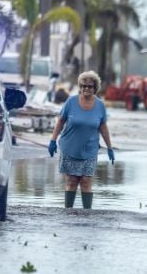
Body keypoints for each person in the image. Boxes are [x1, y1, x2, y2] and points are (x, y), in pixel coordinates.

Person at [48, 71, 115, 209]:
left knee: (86, 181)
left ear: (95, 88)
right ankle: (68, 213)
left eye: (90, 86)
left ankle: (87, 215)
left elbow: (103, 127)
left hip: (90, 150)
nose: (86, 88)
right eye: (83, 85)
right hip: (70, 147)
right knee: (72, 181)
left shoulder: (100, 106)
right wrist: (53, 140)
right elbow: (61, 121)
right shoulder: (71, 102)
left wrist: (109, 147)